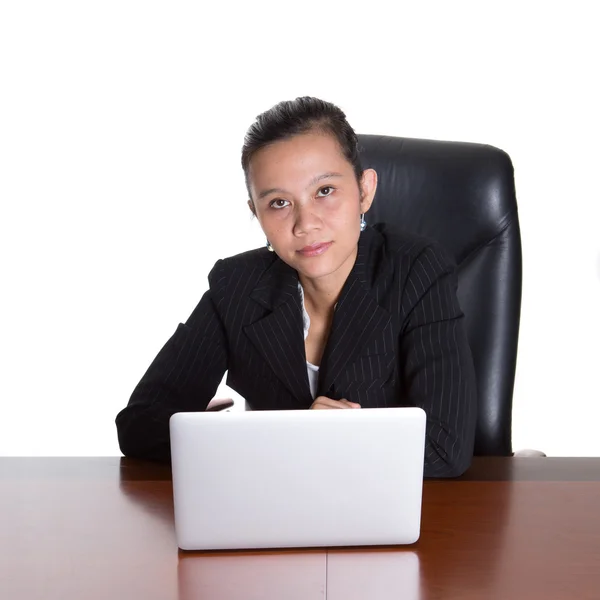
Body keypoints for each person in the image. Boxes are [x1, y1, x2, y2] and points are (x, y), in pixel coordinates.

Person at [115, 96, 477, 477]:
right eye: (278, 203)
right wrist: (295, 438)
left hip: (396, 515)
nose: (305, 223)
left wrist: (296, 442)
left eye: (324, 191)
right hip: (276, 514)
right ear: (256, 213)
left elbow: (444, 447)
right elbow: (140, 426)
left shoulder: (416, 272)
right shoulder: (235, 287)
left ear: (365, 191)